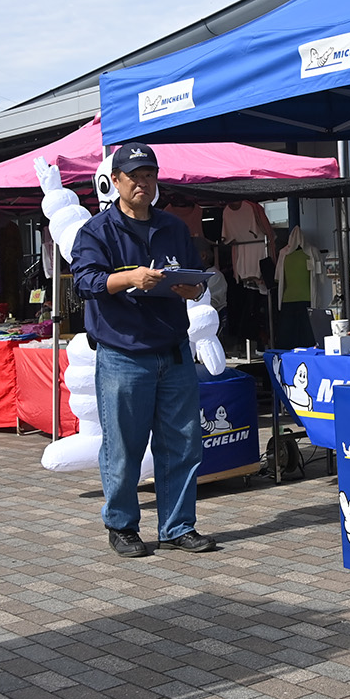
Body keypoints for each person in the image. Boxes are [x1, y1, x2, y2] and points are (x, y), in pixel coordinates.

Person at [69, 142, 216, 559]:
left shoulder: (172, 227)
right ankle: (122, 526)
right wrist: (130, 277)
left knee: (183, 445)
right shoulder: (97, 231)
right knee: (123, 447)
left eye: (149, 175)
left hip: (173, 350)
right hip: (122, 355)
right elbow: (86, 284)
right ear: (115, 181)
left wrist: (194, 287)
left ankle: (177, 526)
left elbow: (196, 278)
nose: (143, 183)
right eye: (134, 176)